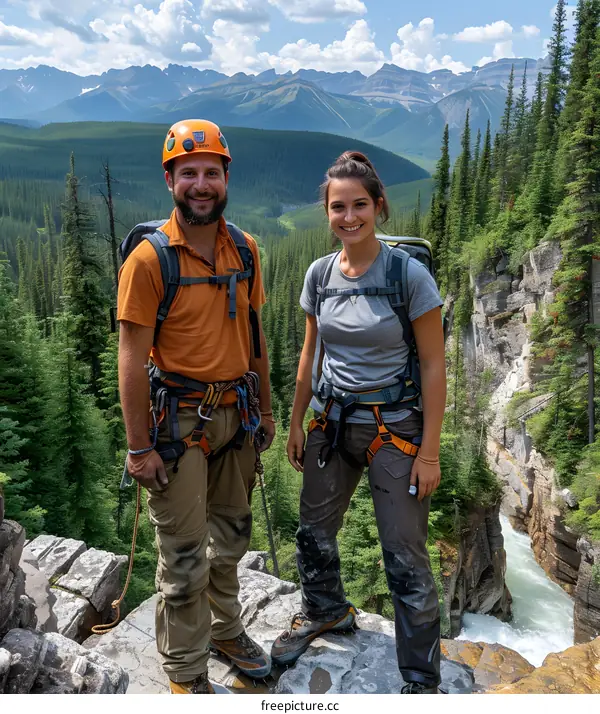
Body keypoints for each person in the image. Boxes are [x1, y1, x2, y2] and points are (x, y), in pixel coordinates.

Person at [270, 152, 446, 694]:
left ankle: (419, 678)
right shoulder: (320, 275)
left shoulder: (406, 276)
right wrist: (295, 422)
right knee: (314, 532)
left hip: (396, 429)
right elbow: (308, 356)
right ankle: (325, 612)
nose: (349, 217)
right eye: (338, 207)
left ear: (379, 207)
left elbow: (435, 364)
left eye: (360, 206)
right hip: (330, 422)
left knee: (404, 554)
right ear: (326, 212)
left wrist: (430, 451)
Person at [117, 119, 275, 694]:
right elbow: (131, 358)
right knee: (184, 556)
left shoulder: (247, 251)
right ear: (170, 181)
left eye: (211, 172)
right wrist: (139, 448)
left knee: (231, 536)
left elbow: (255, 338)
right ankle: (186, 674)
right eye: (190, 173)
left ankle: (227, 630)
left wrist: (268, 409)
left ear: (226, 177)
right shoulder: (149, 261)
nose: (201, 184)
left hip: (238, 413)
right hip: (177, 422)